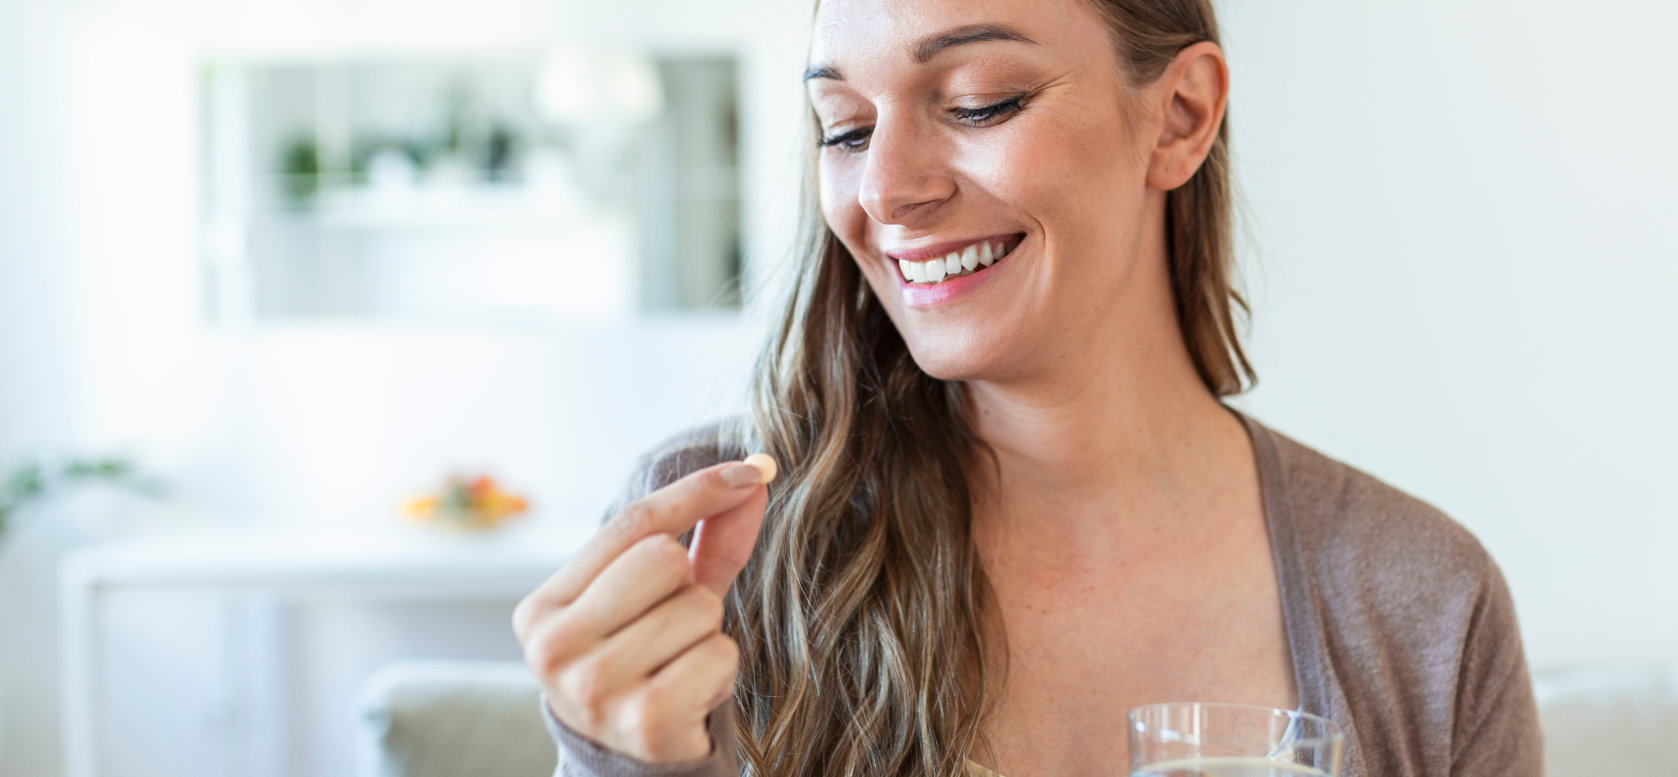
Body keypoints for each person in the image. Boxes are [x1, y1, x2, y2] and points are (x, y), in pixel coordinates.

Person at [511, 0, 1545, 775]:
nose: (885, 190)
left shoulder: (1422, 604)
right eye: (844, 127)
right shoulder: (718, 553)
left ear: (1181, 116)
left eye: (977, 101)